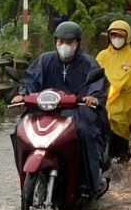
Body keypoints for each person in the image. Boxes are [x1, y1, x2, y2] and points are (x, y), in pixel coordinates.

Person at [10, 21, 110, 197]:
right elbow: (31, 80)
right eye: (60, 41)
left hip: (78, 110)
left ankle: (90, 182)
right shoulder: (44, 60)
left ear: (77, 43)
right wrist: (23, 93)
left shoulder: (88, 63)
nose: (64, 46)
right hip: (45, 109)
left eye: (69, 42)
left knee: (85, 132)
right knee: (19, 130)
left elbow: (97, 84)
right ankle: (24, 177)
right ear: (55, 41)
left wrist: (92, 96)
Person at [95, 20, 131, 157]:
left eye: (120, 36)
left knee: (117, 118)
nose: (116, 39)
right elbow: (93, 72)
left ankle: (122, 150)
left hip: (123, 98)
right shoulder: (102, 55)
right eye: (113, 35)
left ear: (127, 37)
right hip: (104, 95)